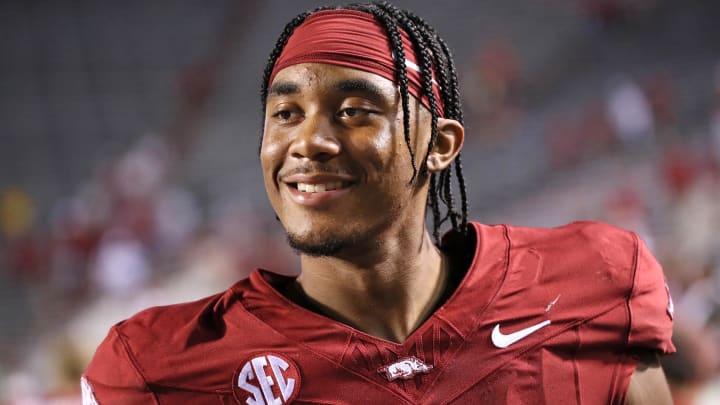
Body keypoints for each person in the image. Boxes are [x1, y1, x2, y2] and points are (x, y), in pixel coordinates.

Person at [82, 2, 675, 404]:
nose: (307, 141)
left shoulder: (591, 285)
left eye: (355, 111)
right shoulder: (161, 368)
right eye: (285, 113)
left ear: (440, 145)